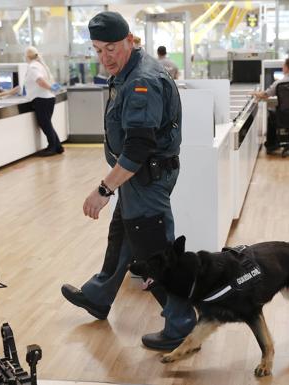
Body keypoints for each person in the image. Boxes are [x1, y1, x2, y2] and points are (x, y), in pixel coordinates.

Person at [60, 11, 196, 351]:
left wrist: (104, 188)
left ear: (130, 41)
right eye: (97, 50)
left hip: (144, 176)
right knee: (123, 233)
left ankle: (181, 320)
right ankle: (99, 295)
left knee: (153, 248)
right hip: (137, 177)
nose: (105, 57)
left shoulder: (141, 81)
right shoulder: (129, 70)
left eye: (111, 48)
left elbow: (138, 147)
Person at [23, 46, 63, 156]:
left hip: (42, 98)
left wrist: (51, 88)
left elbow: (40, 81)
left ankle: (52, 147)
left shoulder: (33, 67)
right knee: (47, 123)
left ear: (27, 56)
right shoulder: (41, 65)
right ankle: (58, 146)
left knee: (45, 124)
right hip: (48, 98)